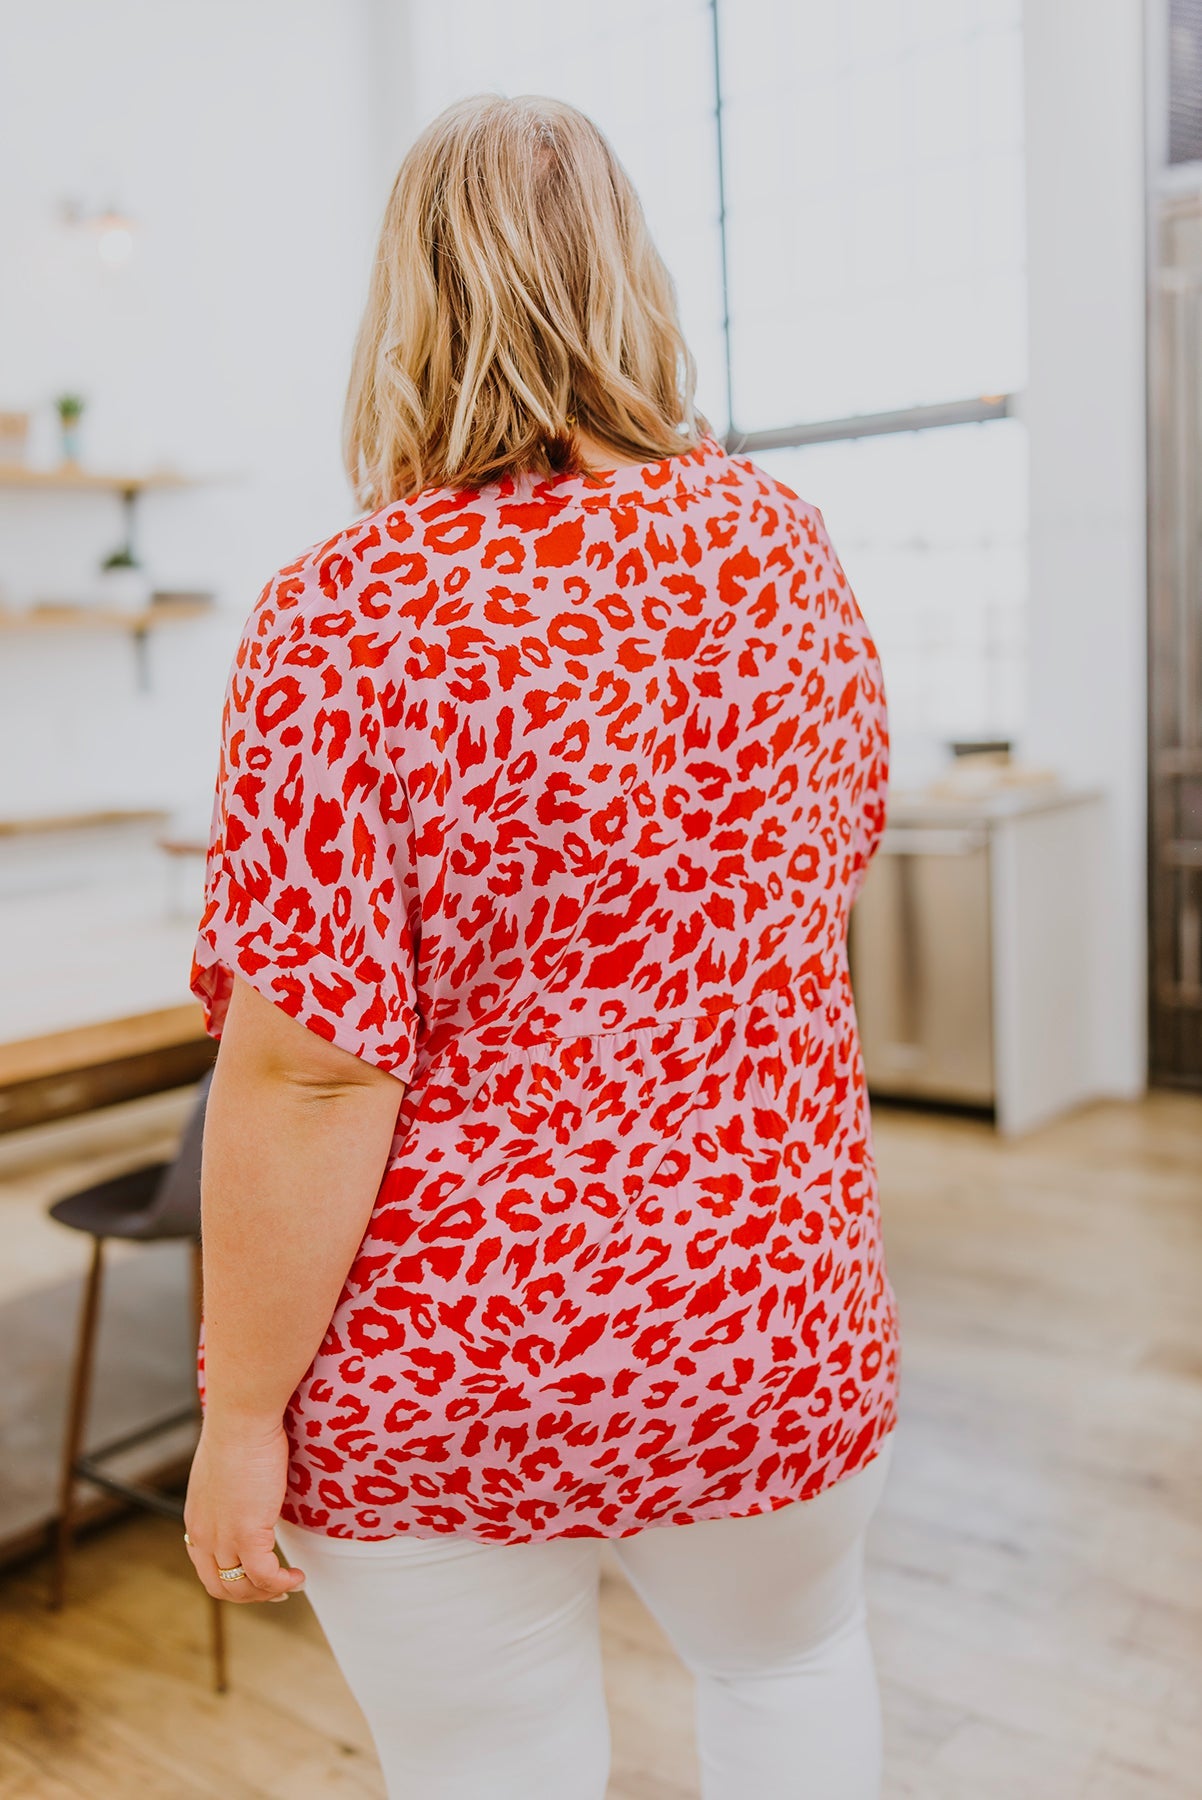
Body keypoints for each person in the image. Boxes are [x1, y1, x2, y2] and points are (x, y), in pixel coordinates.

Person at [184, 92, 899, 1800]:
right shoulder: (781, 555)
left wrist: (234, 1413)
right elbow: (816, 882)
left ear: (408, 304)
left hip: (445, 1361)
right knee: (789, 1671)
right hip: (764, 1311)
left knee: (489, 1771)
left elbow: (304, 1075)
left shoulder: (341, 618)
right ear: (631, 280)